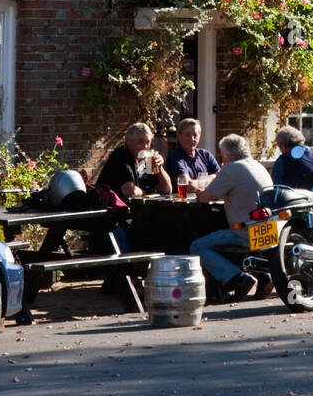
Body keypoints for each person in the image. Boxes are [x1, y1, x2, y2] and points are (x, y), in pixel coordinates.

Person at [191, 134, 272, 301]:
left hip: (245, 233)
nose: (221, 159)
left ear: (228, 155)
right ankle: (265, 277)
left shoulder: (231, 169)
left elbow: (205, 198)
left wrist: (199, 191)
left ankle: (237, 278)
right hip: (268, 231)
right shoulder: (258, 165)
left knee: (197, 246)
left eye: (221, 155)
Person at [96, 123, 172, 202]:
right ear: (129, 142)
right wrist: (148, 193)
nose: (145, 146)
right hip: (109, 209)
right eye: (140, 142)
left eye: (148, 142)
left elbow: (167, 189)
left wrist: (160, 168)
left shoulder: (148, 158)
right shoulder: (121, 155)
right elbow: (129, 190)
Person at [164, 117, 220, 185]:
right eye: (187, 135)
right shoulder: (175, 158)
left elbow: (221, 177)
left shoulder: (206, 155)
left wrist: (199, 182)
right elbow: (187, 185)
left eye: (195, 135)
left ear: (199, 136)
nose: (192, 139)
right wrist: (212, 178)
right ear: (179, 136)